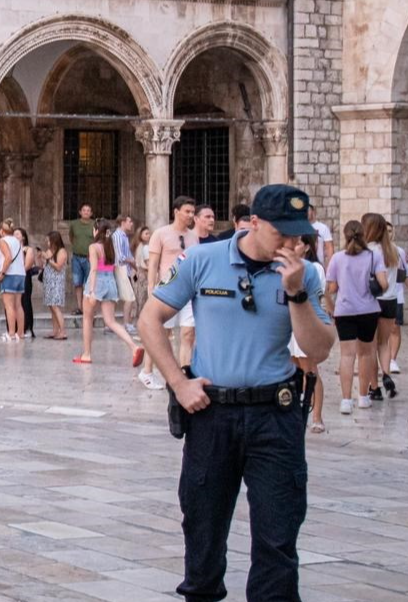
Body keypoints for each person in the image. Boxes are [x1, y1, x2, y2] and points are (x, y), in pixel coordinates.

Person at [138, 184, 334, 602]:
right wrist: (177, 381)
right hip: (213, 414)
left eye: (299, 235)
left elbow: (318, 349)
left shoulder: (307, 273)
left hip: (275, 416)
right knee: (203, 533)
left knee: (277, 538)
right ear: (254, 223)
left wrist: (297, 292)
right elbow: (150, 319)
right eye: (282, 233)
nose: (293, 242)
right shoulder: (204, 259)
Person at [324, 220, 382, 413]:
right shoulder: (373, 256)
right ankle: (364, 396)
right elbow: (383, 283)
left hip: (345, 310)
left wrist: (332, 306)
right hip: (368, 310)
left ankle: (346, 400)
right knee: (366, 354)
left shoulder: (338, 259)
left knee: (347, 355)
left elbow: (331, 288)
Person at [144, 197, 200, 386]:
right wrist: (151, 287)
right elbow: (152, 264)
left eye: (193, 212)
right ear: (176, 212)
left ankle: (185, 373)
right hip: (166, 289)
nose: (191, 215)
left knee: (188, 333)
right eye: (187, 211)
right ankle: (147, 371)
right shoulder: (160, 234)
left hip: (189, 289)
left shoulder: (194, 236)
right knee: (160, 333)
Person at [74, 221, 144, 368]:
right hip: (110, 282)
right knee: (111, 321)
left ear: (95, 231)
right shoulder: (111, 246)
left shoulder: (93, 247)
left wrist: (92, 291)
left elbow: (93, 270)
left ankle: (86, 354)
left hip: (97, 282)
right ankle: (134, 346)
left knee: (87, 319)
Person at [362, 213, 403, 399]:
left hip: (373, 300)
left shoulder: (368, 251)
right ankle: (386, 375)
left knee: (370, 346)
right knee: (384, 343)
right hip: (391, 300)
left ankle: (374, 387)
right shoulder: (393, 250)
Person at [292, 234, 329, 434]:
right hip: (289, 324)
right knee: (293, 366)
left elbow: (317, 295)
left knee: (310, 370)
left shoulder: (314, 268)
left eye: (297, 243)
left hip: (306, 322)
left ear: (306, 247)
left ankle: (316, 416)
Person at [0, 219, 26, 342]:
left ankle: (11, 333)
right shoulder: (17, 241)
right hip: (20, 274)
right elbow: (21, 258)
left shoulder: (3, 241)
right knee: (18, 304)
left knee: (9, 306)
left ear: (1, 231)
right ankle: (20, 332)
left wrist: (2, 273)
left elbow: (8, 257)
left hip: (9, 274)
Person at [41, 233, 70, 340]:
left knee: (55, 306)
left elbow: (58, 267)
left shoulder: (62, 251)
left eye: (49, 241)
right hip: (49, 282)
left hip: (56, 282)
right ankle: (55, 330)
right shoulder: (50, 251)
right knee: (51, 307)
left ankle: (63, 331)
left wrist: (48, 259)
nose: (47, 243)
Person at [68, 204, 95, 313]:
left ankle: (89, 307)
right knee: (77, 283)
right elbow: (71, 237)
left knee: (89, 283)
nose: (86, 212)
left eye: (88, 210)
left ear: (91, 213)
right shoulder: (74, 224)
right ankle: (80, 307)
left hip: (89, 258)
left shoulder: (94, 224)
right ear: (80, 212)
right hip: (77, 257)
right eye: (84, 210)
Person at [112, 216, 138, 331]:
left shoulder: (124, 236)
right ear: (123, 222)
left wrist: (134, 266)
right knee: (129, 297)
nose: (131, 224)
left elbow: (127, 254)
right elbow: (120, 256)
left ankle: (124, 323)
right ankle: (126, 324)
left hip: (126, 269)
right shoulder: (117, 236)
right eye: (130, 221)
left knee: (128, 297)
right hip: (120, 268)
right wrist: (131, 261)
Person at [16, 228, 39, 339]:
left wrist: (19, 272)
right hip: (15, 277)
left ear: (23, 237)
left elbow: (28, 265)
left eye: (17, 234)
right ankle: (18, 328)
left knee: (25, 301)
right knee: (17, 302)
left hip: (24, 277)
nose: (15, 235)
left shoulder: (28, 249)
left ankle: (28, 327)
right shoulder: (12, 248)